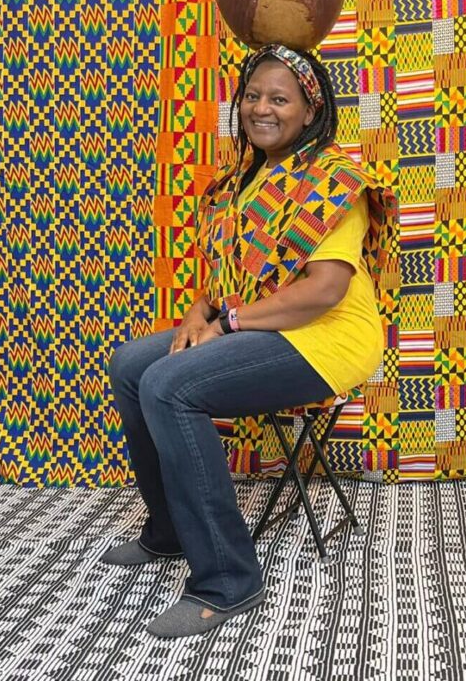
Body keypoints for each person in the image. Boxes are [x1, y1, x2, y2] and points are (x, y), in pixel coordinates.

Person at [104, 44, 394, 638]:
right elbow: (223, 281)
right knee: (133, 364)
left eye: (280, 99)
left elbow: (323, 292)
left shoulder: (333, 180)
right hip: (263, 323)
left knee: (169, 385)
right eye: (253, 96)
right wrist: (194, 315)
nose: (262, 108)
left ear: (310, 111)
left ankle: (228, 580)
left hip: (327, 339)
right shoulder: (241, 180)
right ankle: (167, 533)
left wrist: (227, 326)